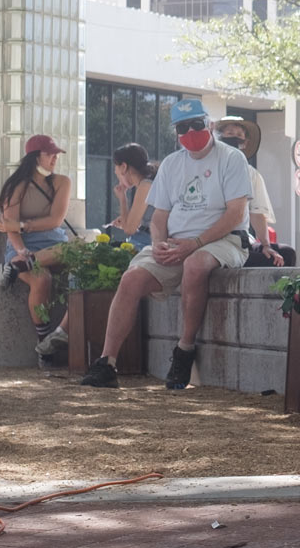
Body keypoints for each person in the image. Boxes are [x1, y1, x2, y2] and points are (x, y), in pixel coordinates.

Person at [80, 100, 250, 391]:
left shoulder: (232, 158)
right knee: (131, 278)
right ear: (176, 133)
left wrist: (195, 243)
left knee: (195, 265)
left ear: (209, 125)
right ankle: (106, 363)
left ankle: (183, 351)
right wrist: (159, 243)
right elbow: (159, 217)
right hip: (174, 242)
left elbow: (235, 213)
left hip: (224, 240)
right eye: (183, 127)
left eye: (197, 124)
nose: (191, 131)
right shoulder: (172, 164)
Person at [0, 135, 74, 359]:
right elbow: (9, 229)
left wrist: (21, 225)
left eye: (56, 154)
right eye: (50, 154)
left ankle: (18, 266)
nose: (55, 158)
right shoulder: (16, 186)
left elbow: (55, 221)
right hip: (23, 249)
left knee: (74, 254)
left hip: (55, 246)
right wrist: (20, 250)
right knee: (42, 279)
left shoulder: (62, 182)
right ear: (35, 157)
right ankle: (45, 345)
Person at [214, 118, 296, 267]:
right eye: (230, 133)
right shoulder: (210, 168)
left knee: (286, 254)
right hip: (216, 240)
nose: (235, 137)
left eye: (239, 135)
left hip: (240, 241)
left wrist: (266, 245)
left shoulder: (251, 173)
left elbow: (257, 212)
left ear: (245, 143)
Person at [104, 143, 157, 246]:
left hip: (148, 243)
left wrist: (122, 198)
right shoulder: (146, 184)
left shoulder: (145, 186)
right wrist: (125, 220)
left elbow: (129, 229)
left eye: (116, 169)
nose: (116, 173)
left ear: (123, 167)